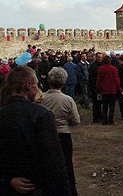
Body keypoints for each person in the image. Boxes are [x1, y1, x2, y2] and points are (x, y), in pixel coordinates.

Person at [0, 66, 72, 195]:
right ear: (28, 85)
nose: (38, 88)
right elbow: (53, 159)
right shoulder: (40, 114)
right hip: (37, 185)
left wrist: (7, 180)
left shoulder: (3, 113)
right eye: (37, 84)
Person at [42, 67, 80, 196]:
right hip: (63, 134)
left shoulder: (42, 99)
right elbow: (75, 120)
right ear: (63, 83)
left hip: (46, 135)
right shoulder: (67, 100)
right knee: (67, 163)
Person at [96, 56, 123, 125]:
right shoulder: (114, 69)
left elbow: (98, 80)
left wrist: (98, 88)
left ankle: (104, 120)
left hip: (104, 89)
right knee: (112, 106)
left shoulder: (100, 69)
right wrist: (119, 90)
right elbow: (117, 80)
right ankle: (110, 120)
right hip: (112, 89)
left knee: (104, 106)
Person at [88, 52, 104, 123]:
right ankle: (96, 117)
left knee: (101, 103)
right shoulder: (93, 66)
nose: (100, 58)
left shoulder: (102, 65)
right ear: (96, 57)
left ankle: (101, 116)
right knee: (96, 104)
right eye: (99, 57)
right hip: (95, 87)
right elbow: (91, 77)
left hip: (101, 87)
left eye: (101, 57)